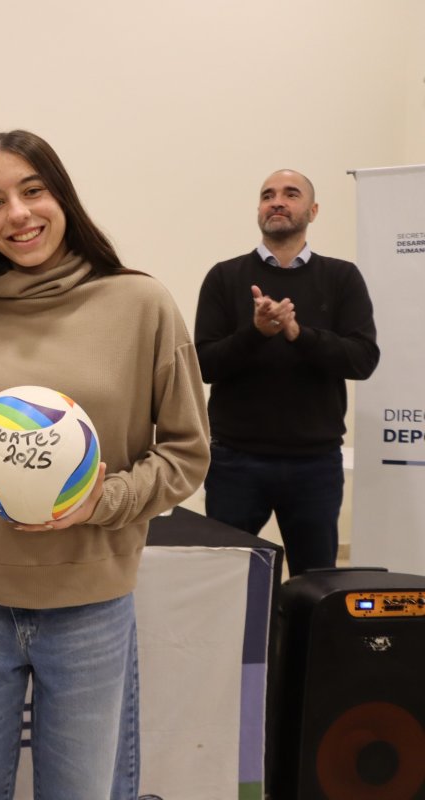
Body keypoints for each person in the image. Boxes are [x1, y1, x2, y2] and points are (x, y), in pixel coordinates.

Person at [0, 130, 210, 798]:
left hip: (90, 600)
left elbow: (186, 452)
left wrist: (101, 501)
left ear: (63, 197)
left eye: (33, 191)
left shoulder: (140, 304)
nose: (17, 214)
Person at [195, 170, 379, 576]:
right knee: (223, 579)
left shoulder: (342, 277)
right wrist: (256, 334)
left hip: (314, 464)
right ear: (259, 209)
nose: (277, 201)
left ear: (313, 211)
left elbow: (363, 359)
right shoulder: (224, 277)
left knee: (315, 583)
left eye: (291, 194)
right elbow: (204, 365)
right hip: (234, 461)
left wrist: (299, 334)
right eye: (268, 195)